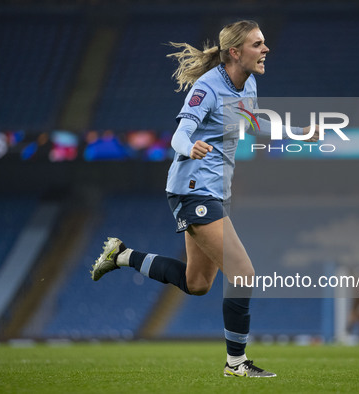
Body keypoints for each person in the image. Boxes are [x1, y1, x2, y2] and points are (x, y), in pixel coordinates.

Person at [90, 20, 318, 377]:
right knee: (243, 273)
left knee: (197, 284)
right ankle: (236, 364)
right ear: (235, 52)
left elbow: (253, 121)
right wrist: (190, 147)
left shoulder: (249, 83)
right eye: (258, 44)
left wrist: (295, 133)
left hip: (215, 192)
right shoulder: (206, 88)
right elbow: (179, 135)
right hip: (192, 189)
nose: (266, 49)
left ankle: (121, 255)